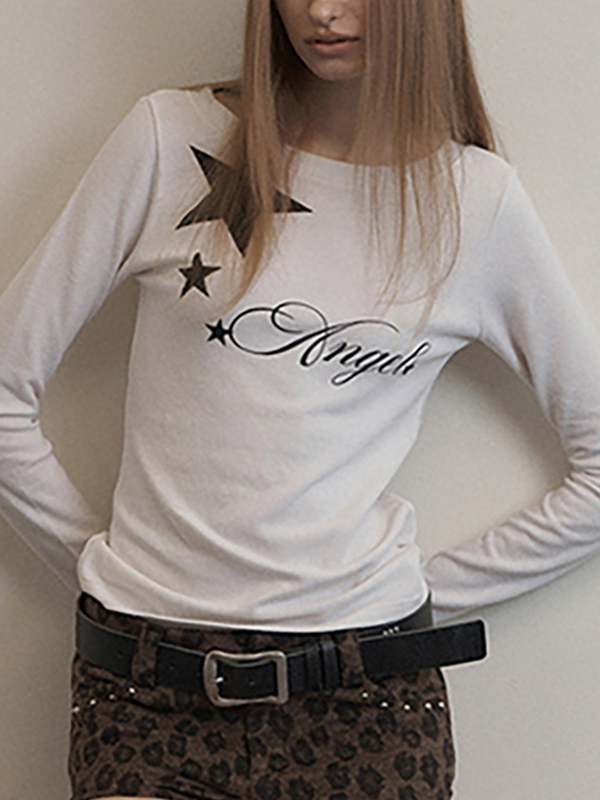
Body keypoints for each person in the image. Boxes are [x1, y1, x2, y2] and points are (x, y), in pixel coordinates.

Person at [1, 1, 599, 799]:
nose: (321, 10)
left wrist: (410, 596)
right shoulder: (170, 140)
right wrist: (105, 568)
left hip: (367, 699)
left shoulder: (474, 201)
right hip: (149, 688)